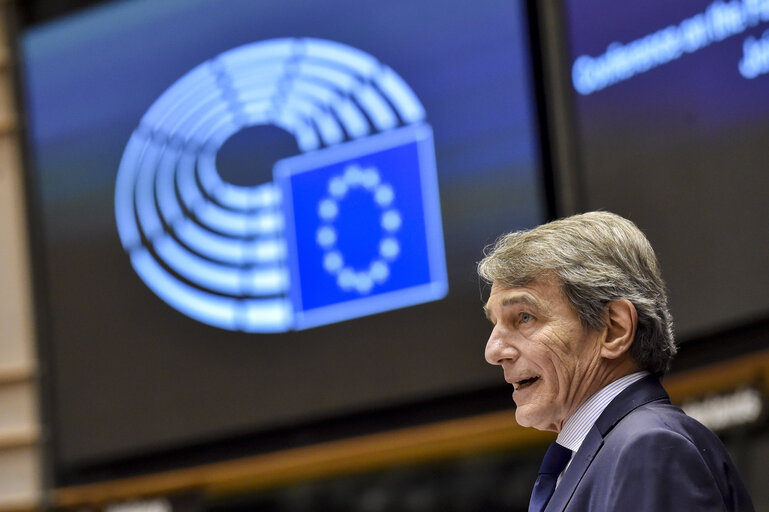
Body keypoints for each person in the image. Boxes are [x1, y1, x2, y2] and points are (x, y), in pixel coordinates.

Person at [478, 211, 754, 512]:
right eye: (495, 323)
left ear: (614, 329)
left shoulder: (648, 447)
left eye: (524, 317)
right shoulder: (609, 451)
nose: (493, 351)